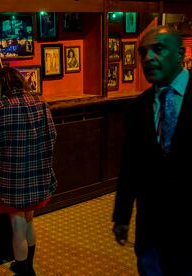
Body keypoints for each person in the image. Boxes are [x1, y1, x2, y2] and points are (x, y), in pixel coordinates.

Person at [112, 25, 192, 275]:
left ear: (180, 54)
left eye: (158, 50)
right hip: (151, 232)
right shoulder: (138, 108)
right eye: (143, 52)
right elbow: (129, 167)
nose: (148, 58)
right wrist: (122, 215)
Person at [0, 67, 57, 276]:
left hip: (13, 178)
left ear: (2, 85)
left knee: (17, 225)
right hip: (38, 174)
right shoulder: (41, 102)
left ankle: (24, 270)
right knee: (28, 220)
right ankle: (28, 265)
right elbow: (52, 136)